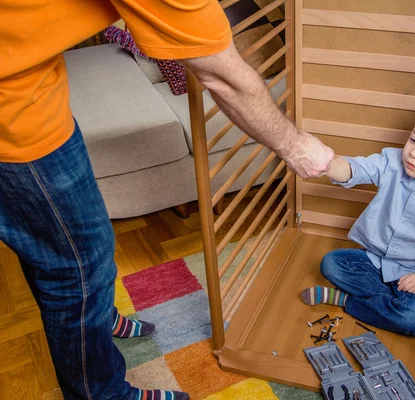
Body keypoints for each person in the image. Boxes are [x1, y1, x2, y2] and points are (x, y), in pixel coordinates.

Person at [0, 1, 333, 399]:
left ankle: (97, 318)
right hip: (13, 120)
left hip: (32, 89)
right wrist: (296, 147)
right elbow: (223, 77)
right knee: (78, 266)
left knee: (57, 247)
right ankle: (102, 394)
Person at [300, 93, 415, 339]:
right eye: (414, 139)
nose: (414, 153)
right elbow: (357, 168)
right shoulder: (391, 162)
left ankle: (348, 301)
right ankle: (388, 303)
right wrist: (326, 164)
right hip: (374, 261)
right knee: (331, 263)